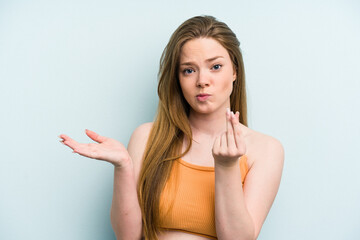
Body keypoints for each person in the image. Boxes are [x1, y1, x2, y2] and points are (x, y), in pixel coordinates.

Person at [59, 15, 284, 240]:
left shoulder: (265, 150)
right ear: (177, 78)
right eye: (188, 70)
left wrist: (226, 166)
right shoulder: (147, 137)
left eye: (215, 66)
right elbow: (127, 236)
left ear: (234, 70)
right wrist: (123, 167)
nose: (202, 80)